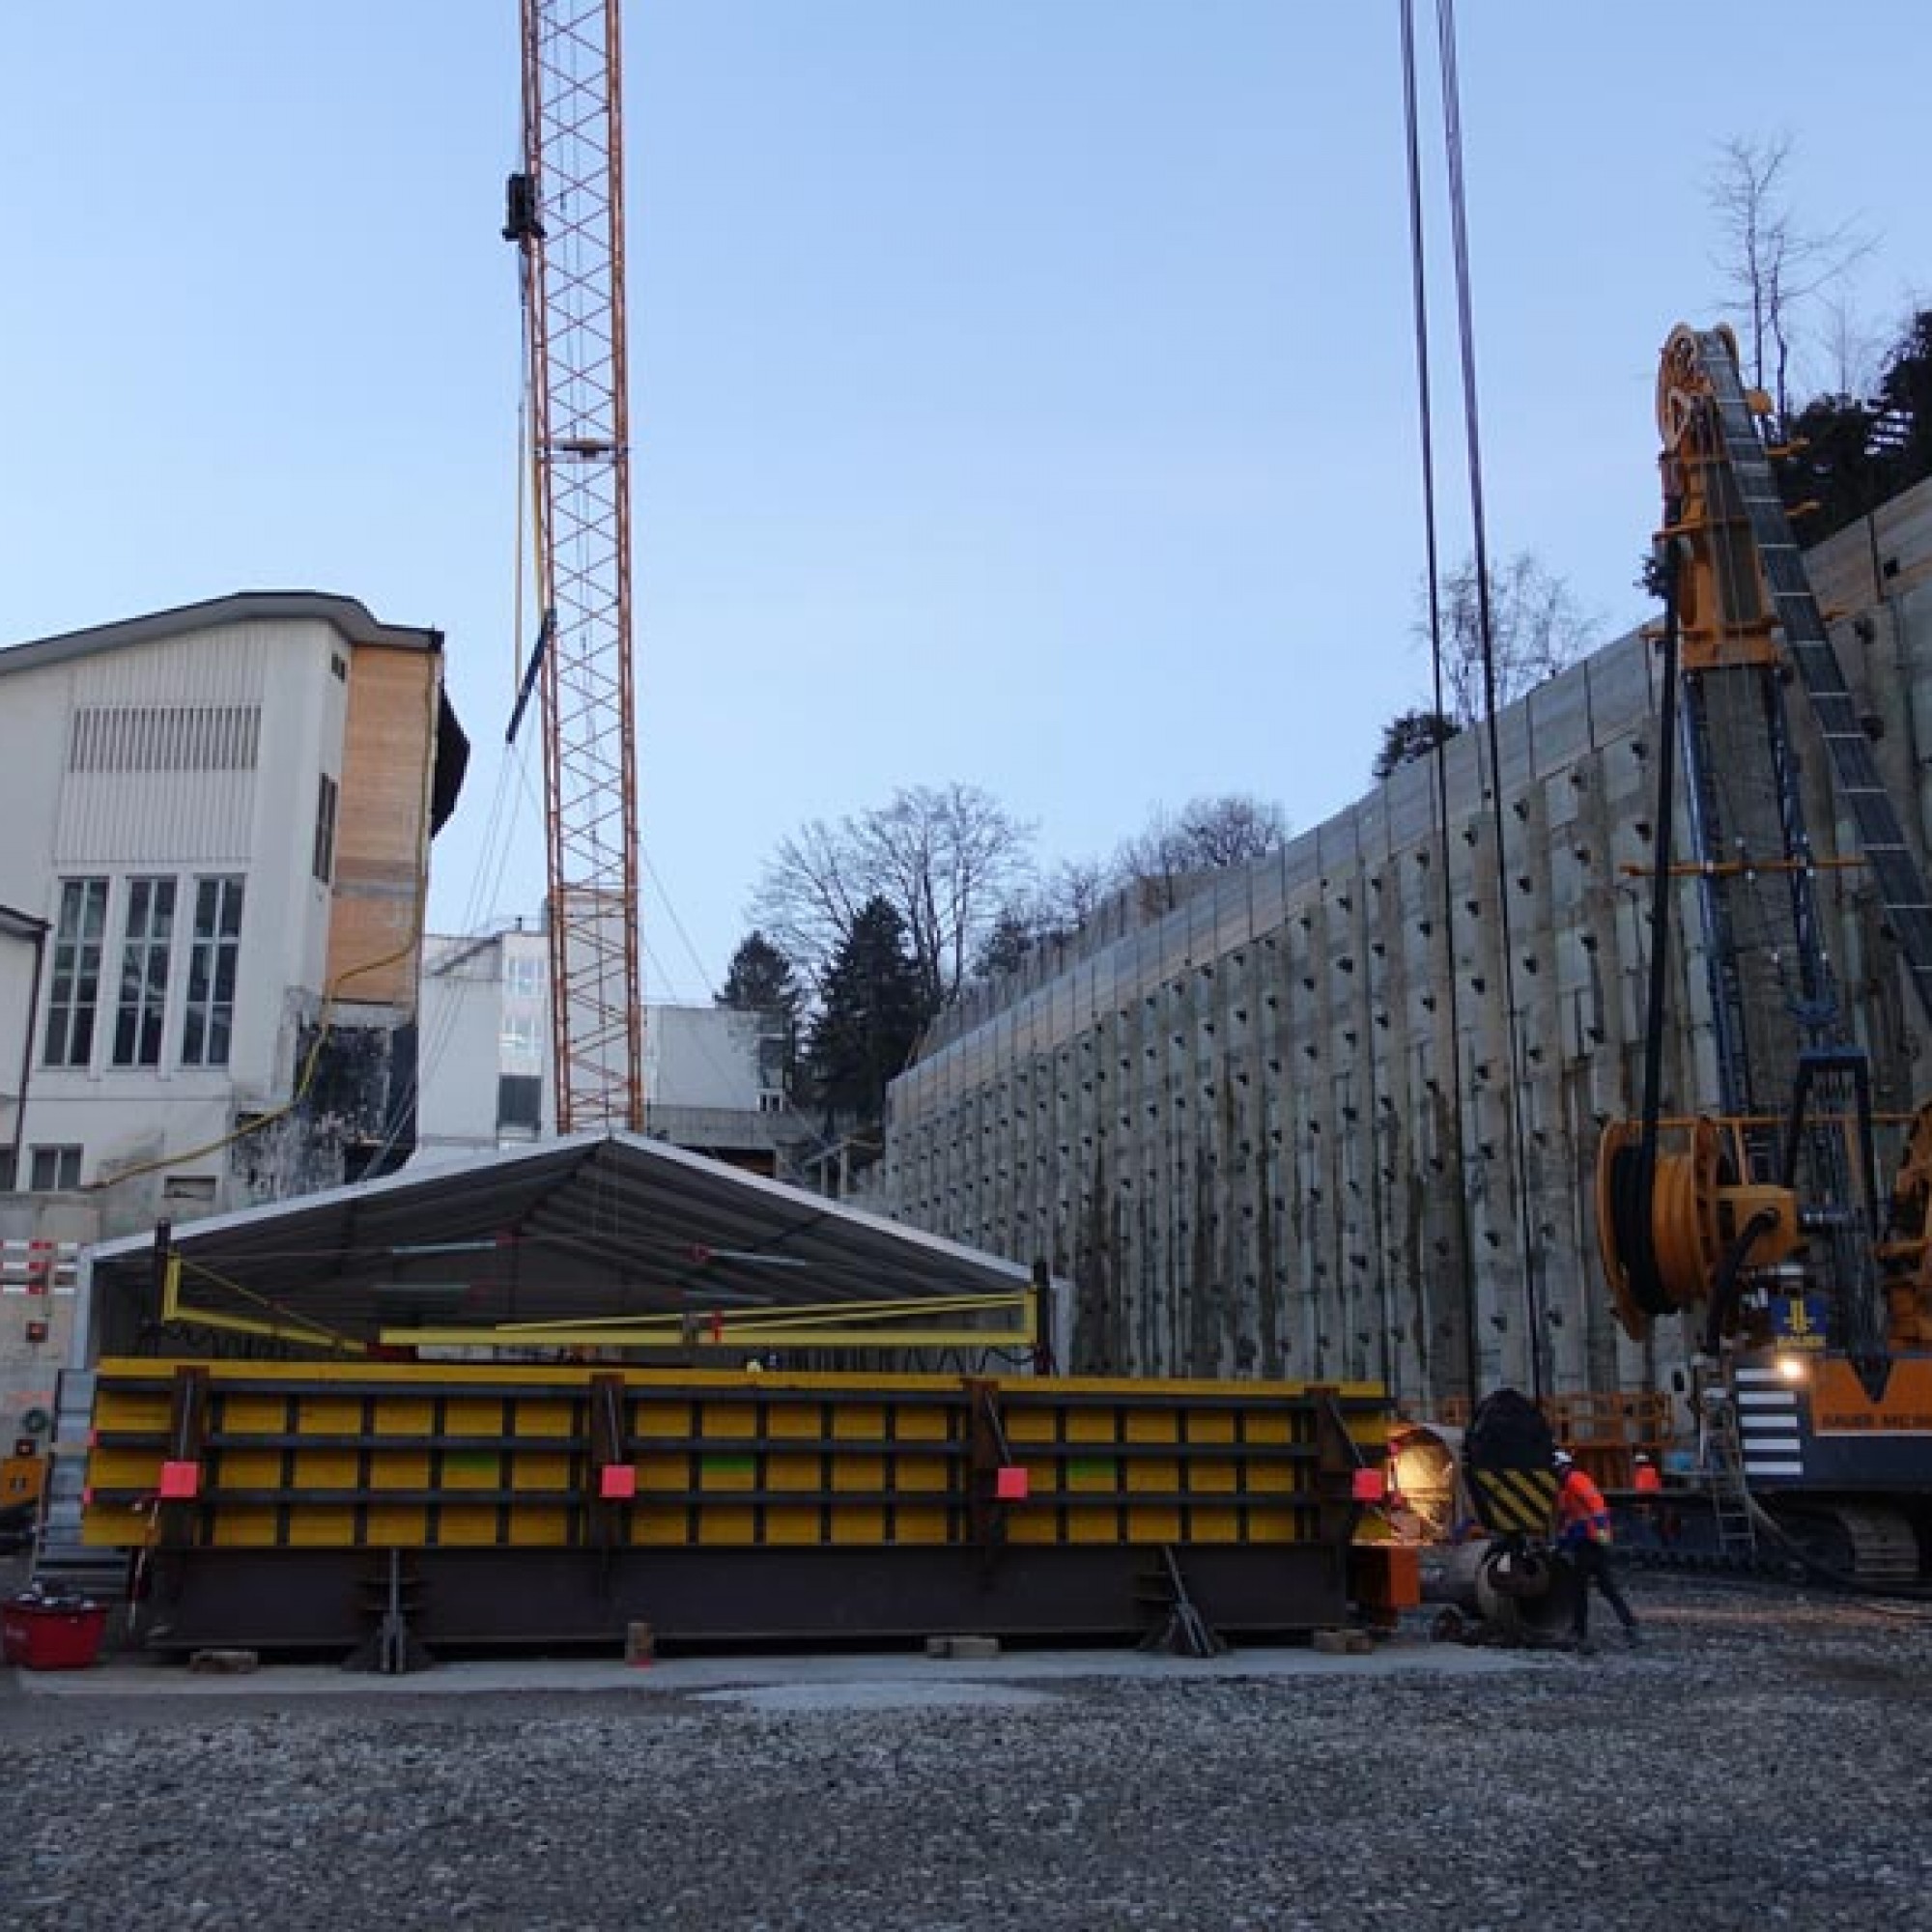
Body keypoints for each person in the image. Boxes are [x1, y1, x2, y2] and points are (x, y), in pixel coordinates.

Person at [1553, 1450, 1641, 1653]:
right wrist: (1562, 1540)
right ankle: (1629, 1623)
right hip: (1587, 1541)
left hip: (1590, 1541)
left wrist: (1600, 1534)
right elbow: (1569, 1518)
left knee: (1580, 1587)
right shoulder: (1566, 1488)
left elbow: (1596, 1505)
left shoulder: (1576, 1480)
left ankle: (1579, 1631)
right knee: (1604, 1585)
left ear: (1562, 1467)